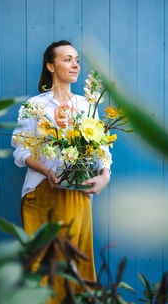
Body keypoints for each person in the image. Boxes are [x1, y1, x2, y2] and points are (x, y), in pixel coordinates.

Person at [11, 40, 112, 303]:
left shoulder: (87, 105)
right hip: (42, 195)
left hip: (78, 197)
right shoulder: (34, 105)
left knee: (75, 266)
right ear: (50, 66)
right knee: (41, 267)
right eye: (67, 59)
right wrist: (46, 171)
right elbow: (20, 151)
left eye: (77, 59)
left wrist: (105, 175)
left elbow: (101, 148)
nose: (75, 64)